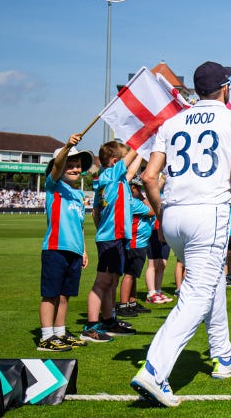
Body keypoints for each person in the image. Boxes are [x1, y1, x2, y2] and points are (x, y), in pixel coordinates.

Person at [130, 61, 231, 407]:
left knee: (210, 282)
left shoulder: (172, 122)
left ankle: (224, 355)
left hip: (174, 212)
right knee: (197, 295)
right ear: (225, 88)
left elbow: (148, 177)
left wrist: (161, 212)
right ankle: (155, 370)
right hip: (208, 212)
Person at [38, 135, 93, 352]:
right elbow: (57, 166)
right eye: (69, 165)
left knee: (65, 295)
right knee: (50, 294)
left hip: (74, 250)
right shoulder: (54, 185)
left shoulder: (78, 194)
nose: (74, 169)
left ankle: (60, 332)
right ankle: (46, 337)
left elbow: (80, 226)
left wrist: (84, 250)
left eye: (77, 165)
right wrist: (68, 147)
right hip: (55, 248)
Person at [83, 140, 140, 342]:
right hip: (112, 237)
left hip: (113, 236)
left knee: (112, 281)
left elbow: (96, 212)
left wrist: (145, 149)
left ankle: (109, 321)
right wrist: (141, 142)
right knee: (102, 282)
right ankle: (90, 326)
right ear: (115, 161)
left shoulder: (114, 180)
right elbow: (129, 162)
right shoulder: (111, 175)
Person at [117, 176, 155, 317]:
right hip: (135, 243)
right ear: (132, 188)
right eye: (138, 188)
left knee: (133, 274)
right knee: (130, 275)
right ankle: (123, 304)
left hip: (139, 242)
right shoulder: (133, 202)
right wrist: (141, 196)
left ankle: (131, 302)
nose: (140, 190)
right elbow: (152, 210)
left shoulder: (132, 201)